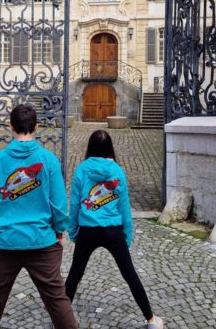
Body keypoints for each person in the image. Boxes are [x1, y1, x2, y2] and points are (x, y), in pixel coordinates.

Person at [0, 104, 77, 329]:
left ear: (10, 126)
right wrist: (60, 230)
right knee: (57, 299)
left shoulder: (0, 160)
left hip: (3, 241)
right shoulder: (48, 160)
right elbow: (58, 204)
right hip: (40, 240)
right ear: (36, 127)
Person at [65, 130, 164, 329]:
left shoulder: (82, 169)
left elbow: (75, 204)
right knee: (130, 274)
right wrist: (127, 236)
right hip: (113, 230)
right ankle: (151, 320)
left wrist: (73, 231)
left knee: (75, 274)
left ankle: (61, 321)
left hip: (88, 228)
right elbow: (124, 207)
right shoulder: (117, 171)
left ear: (90, 148)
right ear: (110, 148)